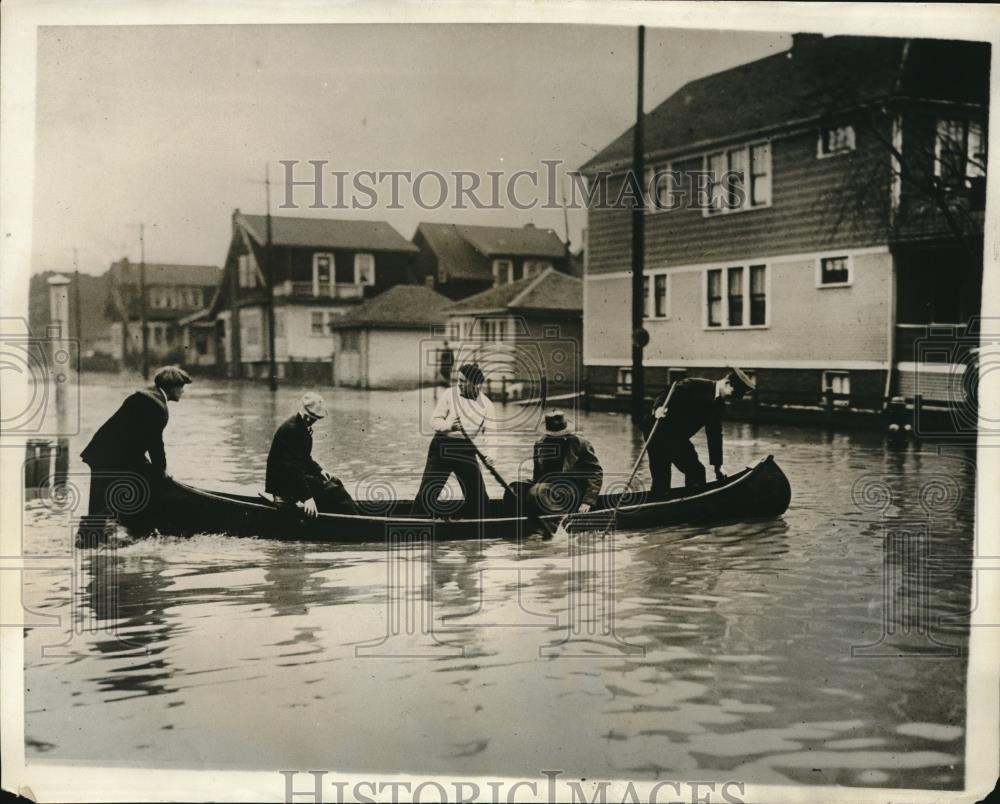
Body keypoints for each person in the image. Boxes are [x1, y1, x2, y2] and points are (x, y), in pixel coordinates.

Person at [80, 365, 191, 522]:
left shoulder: (147, 397)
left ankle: (113, 528)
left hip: (106, 452)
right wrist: (162, 471)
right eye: (181, 386)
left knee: (105, 497)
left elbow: (137, 439)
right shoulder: (156, 405)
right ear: (171, 387)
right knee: (103, 500)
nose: (183, 391)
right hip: (109, 456)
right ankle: (103, 532)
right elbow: (155, 443)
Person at [645, 368, 755, 498]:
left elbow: (714, 434)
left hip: (677, 437)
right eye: (733, 393)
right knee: (661, 479)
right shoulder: (693, 384)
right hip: (657, 432)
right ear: (726, 383)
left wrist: (718, 466)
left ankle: (691, 504)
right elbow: (665, 394)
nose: (732, 398)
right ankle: (658, 505)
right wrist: (658, 408)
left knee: (696, 472)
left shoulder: (718, 405)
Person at [414, 362, 496, 518]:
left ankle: (475, 524)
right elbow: (434, 421)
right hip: (442, 447)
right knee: (428, 494)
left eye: (464, 381)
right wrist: (449, 426)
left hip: (465, 450)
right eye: (459, 380)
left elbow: (492, 435)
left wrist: (491, 456)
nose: (459, 385)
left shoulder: (487, 405)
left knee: (478, 499)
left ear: (476, 385)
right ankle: (416, 523)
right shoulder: (449, 394)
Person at [265, 392, 357, 517]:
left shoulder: (300, 426)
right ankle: (356, 518)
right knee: (334, 490)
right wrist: (307, 498)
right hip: (284, 484)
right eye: (307, 416)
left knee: (334, 482)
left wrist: (320, 470)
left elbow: (304, 459)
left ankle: (354, 514)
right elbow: (293, 468)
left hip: (291, 479)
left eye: (313, 418)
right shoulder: (292, 430)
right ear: (302, 411)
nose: (309, 420)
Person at [528, 410, 604, 517]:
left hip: (573, 489)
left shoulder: (580, 444)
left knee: (539, 490)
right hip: (546, 490)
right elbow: (537, 474)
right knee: (517, 486)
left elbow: (595, 473)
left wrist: (588, 501)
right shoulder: (540, 444)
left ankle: (546, 526)